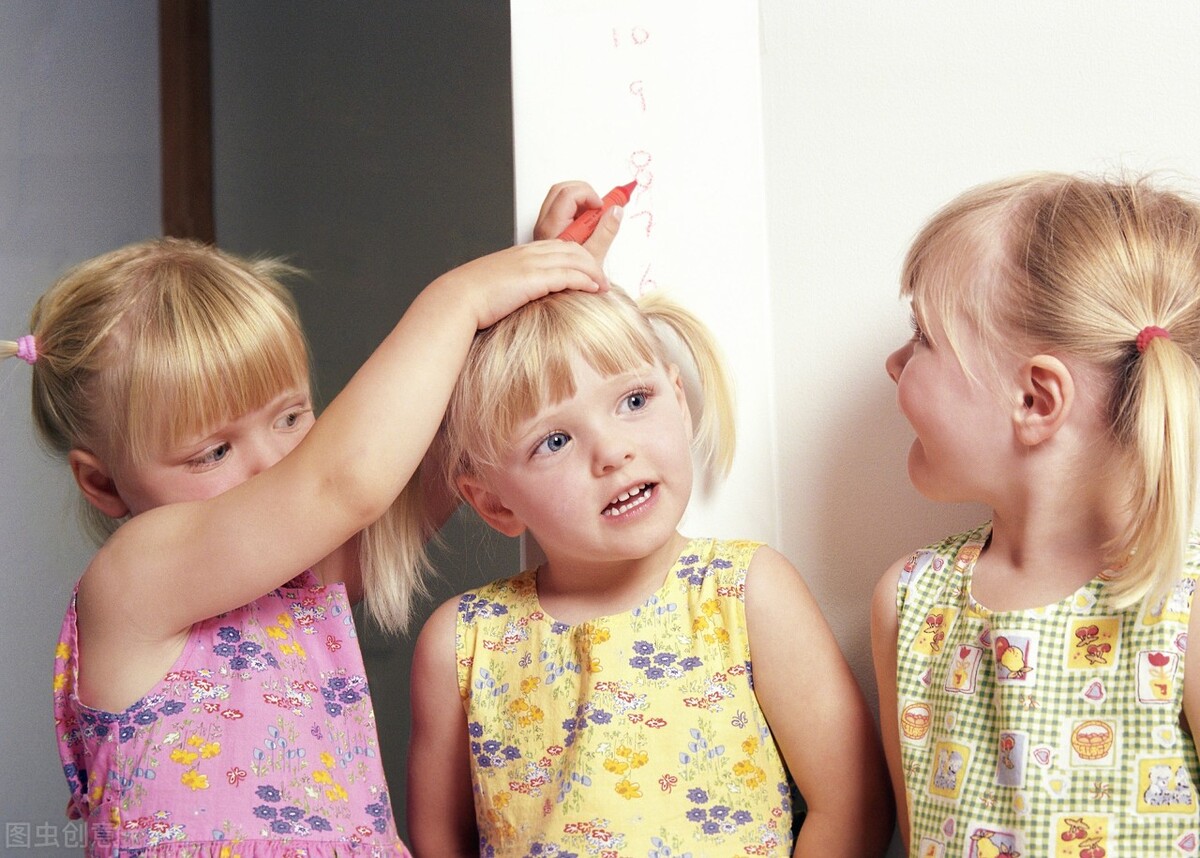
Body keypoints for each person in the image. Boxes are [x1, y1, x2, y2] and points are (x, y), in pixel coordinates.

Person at [4, 198, 616, 855]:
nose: (274, 463)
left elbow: (428, 471)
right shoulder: (132, 581)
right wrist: (459, 299)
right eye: (214, 452)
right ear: (101, 483)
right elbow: (344, 484)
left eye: (291, 417)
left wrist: (521, 302)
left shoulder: (294, 576)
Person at [406, 276, 892, 856]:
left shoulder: (745, 591)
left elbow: (854, 807)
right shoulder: (462, 641)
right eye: (554, 441)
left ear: (679, 401)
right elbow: (438, 840)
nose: (613, 452)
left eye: (634, 402)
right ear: (494, 503)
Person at [872, 172, 1200, 856]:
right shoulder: (909, 602)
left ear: (1036, 400)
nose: (894, 363)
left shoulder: (1185, 607)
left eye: (922, 336)